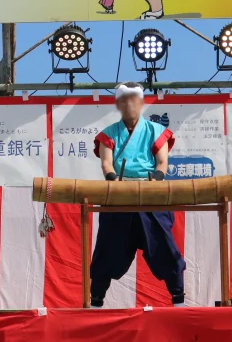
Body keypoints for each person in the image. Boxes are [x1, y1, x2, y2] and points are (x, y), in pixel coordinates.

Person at [89, 82, 186, 308]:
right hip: (119, 196)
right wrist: (115, 181)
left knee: (165, 247)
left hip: (150, 195)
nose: (129, 105)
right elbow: (106, 164)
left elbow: (162, 163)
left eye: (134, 100)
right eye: (124, 101)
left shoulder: (156, 131)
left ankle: (178, 298)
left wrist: (156, 181)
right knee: (106, 250)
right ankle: (96, 301)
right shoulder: (108, 134)